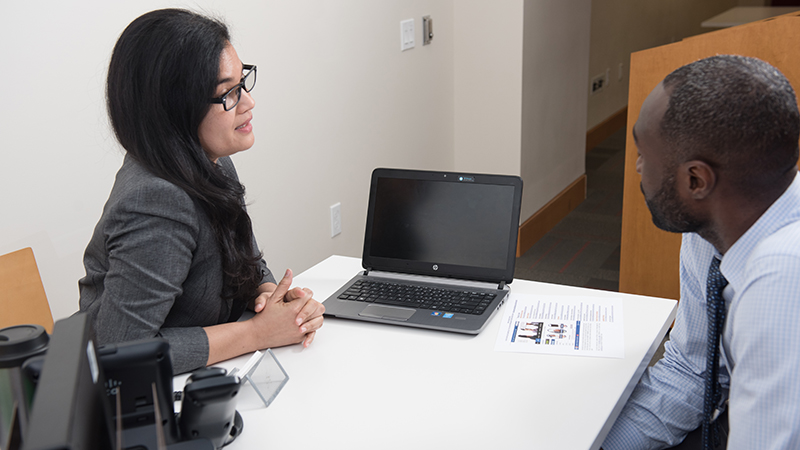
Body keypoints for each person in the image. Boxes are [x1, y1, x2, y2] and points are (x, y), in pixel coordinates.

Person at [79, 9, 324, 374]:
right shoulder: (155, 202)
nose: (248, 103)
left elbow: (247, 265)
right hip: (143, 402)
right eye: (228, 93)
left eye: (243, 82)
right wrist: (258, 333)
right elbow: (119, 352)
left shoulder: (211, 161)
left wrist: (272, 299)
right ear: (175, 109)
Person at [602, 55, 800, 449]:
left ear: (696, 179)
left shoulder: (783, 273)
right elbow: (693, 371)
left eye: (644, 154)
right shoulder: (709, 226)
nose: (639, 167)